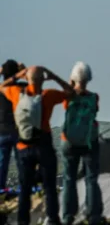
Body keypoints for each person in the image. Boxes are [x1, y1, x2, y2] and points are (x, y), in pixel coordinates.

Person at [0, 65, 74, 225]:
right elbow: (71, 92)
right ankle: (52, 219)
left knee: (24, 189)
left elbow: (1, 86)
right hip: (44, 144)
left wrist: (18, 75)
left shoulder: (16, 94)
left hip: (23, 146)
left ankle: (23, 221)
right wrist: (54, 76)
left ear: (27, 79)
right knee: (49, 187)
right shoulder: (48, 95)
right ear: (43, 79)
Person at [60, 62, 103, 225]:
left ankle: (68, 216)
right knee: (91, 178)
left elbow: (67, 96)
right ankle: (93, 216)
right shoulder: (94, 97)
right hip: (89, 140)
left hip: (69, 140)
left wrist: (70, 83)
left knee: (69, 178)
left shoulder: (68, 96)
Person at [0, 60, 23, 190]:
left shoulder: (1, 89)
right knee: (22, 162)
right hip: (18, 130)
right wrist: (23, 72)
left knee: (2, 163)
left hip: (2, 130)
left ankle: (0, 189)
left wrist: (1, 71)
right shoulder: (21, 88)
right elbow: (34, 84)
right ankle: (24, 187)